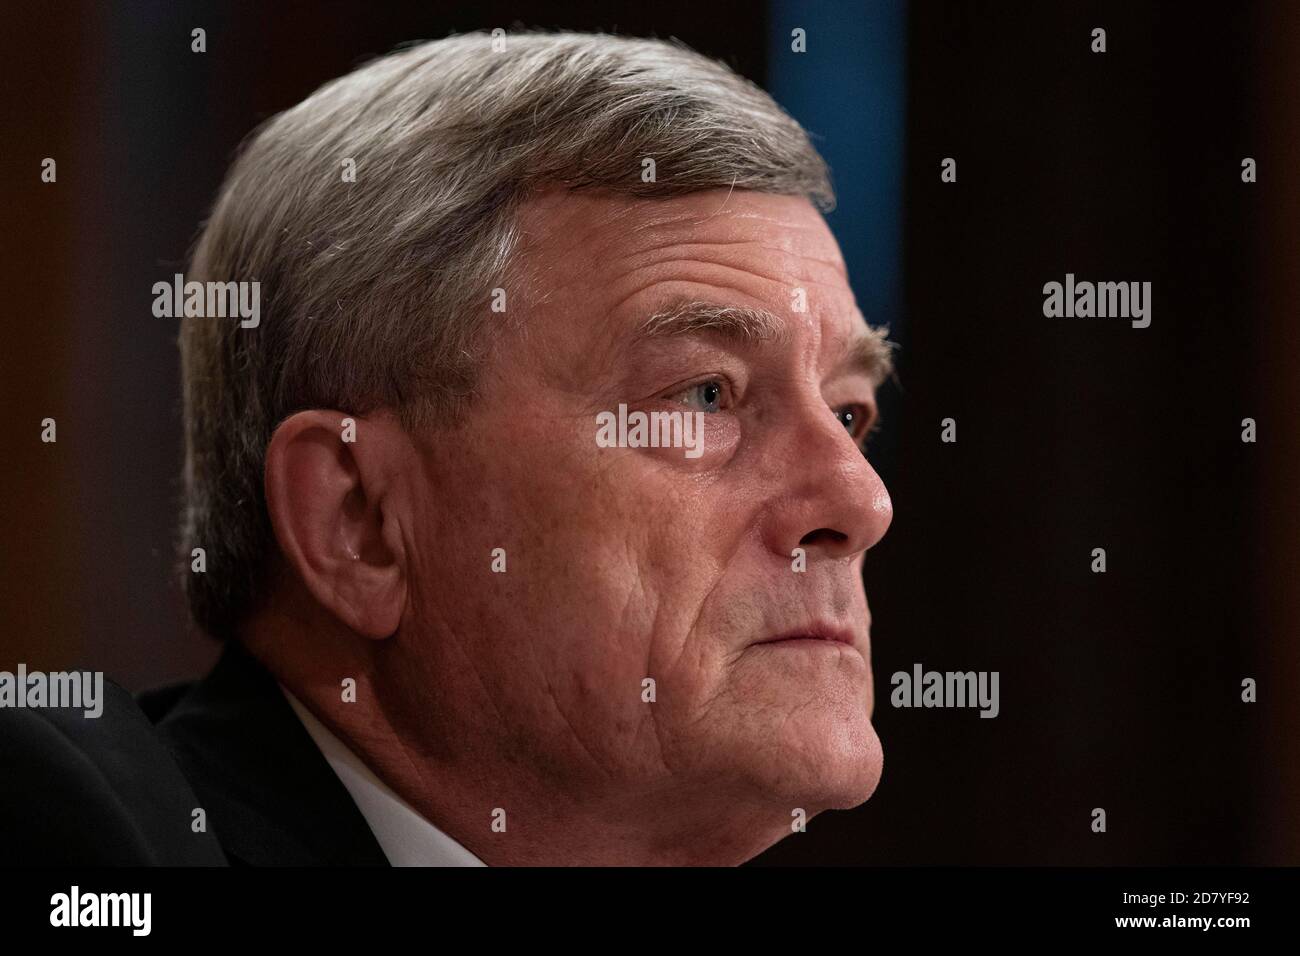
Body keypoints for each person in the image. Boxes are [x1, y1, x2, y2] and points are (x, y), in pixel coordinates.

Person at [2, 30, 894, 866]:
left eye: (849, 413)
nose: (860, 503)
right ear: (360, 521)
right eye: (706, 395)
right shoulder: (63, 826)